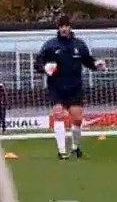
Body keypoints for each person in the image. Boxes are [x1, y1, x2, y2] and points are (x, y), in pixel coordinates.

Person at [34, 13, 107, 159]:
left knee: (77, 119)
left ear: (70, 27)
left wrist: (96, 65)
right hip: (56, 87)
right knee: (59, 115)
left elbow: (88, 61)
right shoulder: (50, 45)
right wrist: (45, 69)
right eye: (61, 26)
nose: (64, 29)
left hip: (75, 87)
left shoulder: (79, 44)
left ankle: (75, 147)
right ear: (58, 28)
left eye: (66, 26)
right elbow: (37, 63)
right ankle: (62, 151)